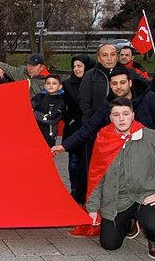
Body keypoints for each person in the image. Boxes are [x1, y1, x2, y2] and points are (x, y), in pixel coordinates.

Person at [84, 97, 155, 259]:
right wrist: (93, 208)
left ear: (133, 115)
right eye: (116, 114)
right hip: (116, 199)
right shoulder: (103, 138)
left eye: (125, 113)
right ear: (110, 117)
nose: (121, 119)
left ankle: (154, 240)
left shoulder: (151, 137)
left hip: (144, 196)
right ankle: (129, 223)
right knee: (110, 244)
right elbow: (96, 175)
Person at [52, 66, 155, 157]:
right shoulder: (107, 105)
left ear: (130, 83)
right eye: (114, 83)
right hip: (130, 157)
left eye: (122, 82)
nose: (119, 87)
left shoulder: (148, 98)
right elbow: (89, 127)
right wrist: (64, 146)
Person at [62, 54, 96, 203]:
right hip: (74, 127)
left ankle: (89, 191)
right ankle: (75, 190)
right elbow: (63, 106)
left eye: (79, 66)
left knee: (90, 160)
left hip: (92, 127)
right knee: (74, 160)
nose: (76, 69)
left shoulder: (96, 82)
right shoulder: (68, 84)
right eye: (74, 66)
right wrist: (70, 120)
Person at [79, 43, 119, 122]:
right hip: (97, 121)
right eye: (105, 55)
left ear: (117, 57)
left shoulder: (128, 73)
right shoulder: (90, 75)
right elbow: (84, 100)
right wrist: (91, 119)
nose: (109, 58)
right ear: (99, 59)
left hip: (122, 121)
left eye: (113, 55)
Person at [31, 74, 66, 147]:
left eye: (54, 83)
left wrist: (34, 113)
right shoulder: (39, 97)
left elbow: (52, 118)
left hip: (49, 136)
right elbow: (27, 108)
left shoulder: (61, 101)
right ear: (45, 86)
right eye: (48, 83)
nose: (51, 85)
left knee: (48, 155)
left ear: (60, 86)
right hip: (34, 133)